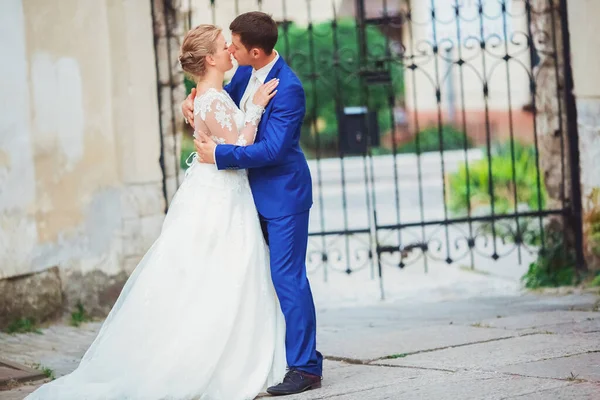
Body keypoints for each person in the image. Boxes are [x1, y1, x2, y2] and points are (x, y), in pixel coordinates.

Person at [25, 24, 287, 400]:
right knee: (223, 271)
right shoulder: (210, 100)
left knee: (211, 272)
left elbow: (220, 128)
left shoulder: (207, 96)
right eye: (223, 46)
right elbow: (240, 148)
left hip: (213, 190)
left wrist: (228, 105)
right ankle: (218, 358)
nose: (231, 50)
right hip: (223, 195)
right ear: (211, 58)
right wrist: (257, 107)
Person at [182, 11, 323, 396]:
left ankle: (306, 367)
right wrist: (191, 99)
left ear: (256, 52)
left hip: (282, 197)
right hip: (243, 197)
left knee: (286, 278)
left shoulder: (288, 87)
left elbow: (274, 149)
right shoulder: (245, 71)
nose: (230, 49)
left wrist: (220, 155)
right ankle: (265, 355)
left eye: (236, 45)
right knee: (251, 277)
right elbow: (221, 105)